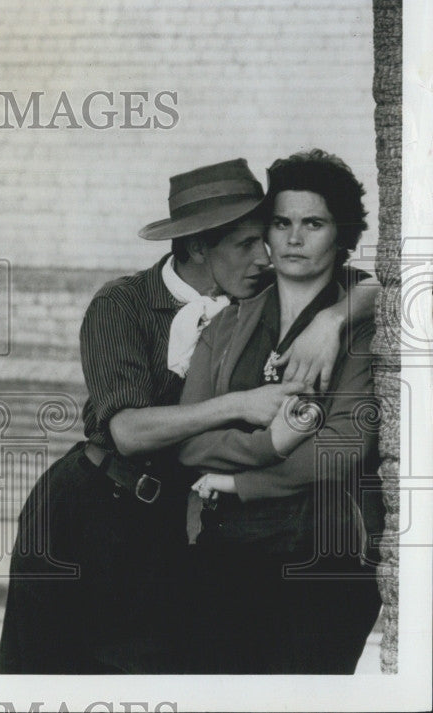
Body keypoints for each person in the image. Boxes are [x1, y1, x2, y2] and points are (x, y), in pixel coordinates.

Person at [0, 158, 378, 674]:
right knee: (45, 672)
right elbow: (128, 431)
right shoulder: (124, 304)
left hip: (175, 523)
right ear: (199, 246)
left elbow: (377, 285)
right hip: (92, 508)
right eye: (248, 244)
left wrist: (333, 319)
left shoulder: (256, 303)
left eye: (263, 239)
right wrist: (243, 409)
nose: (268, 255)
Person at [179, 149, 383, 673]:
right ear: (266, 233)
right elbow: (191, 439)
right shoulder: (227, 325)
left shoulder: (363, 324)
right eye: (282, 222)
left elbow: (342, 448)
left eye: (313, 223)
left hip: (323, 560)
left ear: (342, 234)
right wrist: (269, 444)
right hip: (225, 552)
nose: (294, 238)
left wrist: (238, 482)